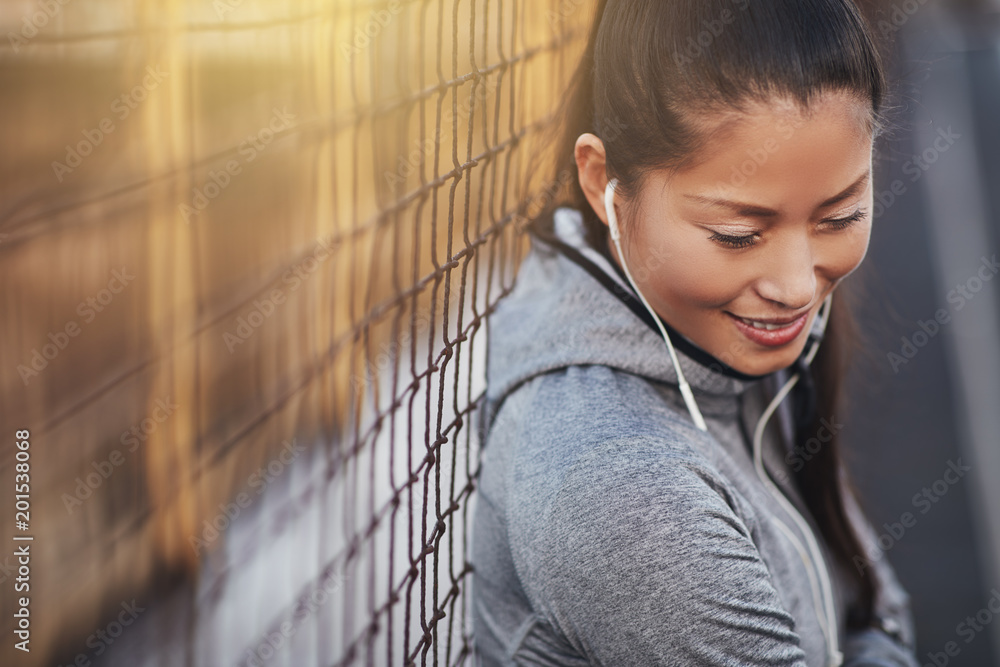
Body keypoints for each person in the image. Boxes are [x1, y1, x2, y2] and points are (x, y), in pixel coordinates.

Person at [470, 0, 921, 665]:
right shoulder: (621, 491)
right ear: (603, 183)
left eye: (840, 215)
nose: (796, 287)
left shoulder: (714, 336)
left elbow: (870, 609)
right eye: (738, 235)